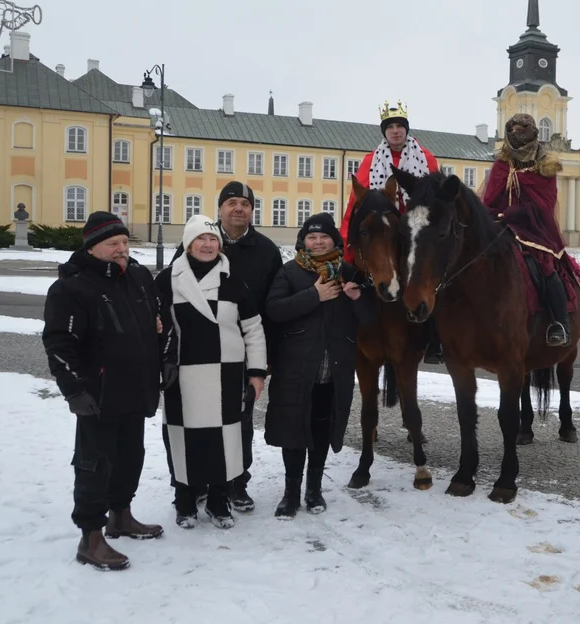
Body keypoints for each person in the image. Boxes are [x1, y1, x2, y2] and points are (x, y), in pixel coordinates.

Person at [42, 211, 167, 571]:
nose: (122, 249)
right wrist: (74, 389)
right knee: (95, 464)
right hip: (98, 394)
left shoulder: (140, 277)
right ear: (93, 247)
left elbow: (157, 318)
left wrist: (162, 355)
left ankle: (121, 515)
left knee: (131, 457)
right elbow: (58, 343)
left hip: (137, 388)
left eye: (125, 242)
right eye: (113, 244)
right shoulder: (72, 288)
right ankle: (91, 536)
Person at [162, 181, 283, 513]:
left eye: (245, 203)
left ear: (252, 210)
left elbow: (271, 308)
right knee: (192, 419)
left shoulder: (267, 250)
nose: (238, 208)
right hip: (191, 357)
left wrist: (264, 360)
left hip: (239, 353)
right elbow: (168, 297)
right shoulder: (192, 249)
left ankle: (236, 482)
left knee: (238, 421)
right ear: (220, 209)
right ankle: (195, 482)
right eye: (231, 202)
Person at [264, 213, 375, 518]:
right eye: (312, 237)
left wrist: (356, 298)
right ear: (304, 241)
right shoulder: (291, 271)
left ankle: (314, 490)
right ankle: (290, 493)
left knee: (321, 431)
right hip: (297, 370)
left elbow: (368, 319)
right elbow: (274, 310)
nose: (317, 242)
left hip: (333, 372)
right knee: (294, 430)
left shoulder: (349, 272)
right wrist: (315, 295)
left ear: (334, 240)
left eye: (324, 237)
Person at [339, 99, 444, 363]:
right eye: (390, 127)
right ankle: (354, 331)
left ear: (406, 130)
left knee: (434, 278)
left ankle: (435, 339)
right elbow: (357, 205)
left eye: (400, 126)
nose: (396, 131)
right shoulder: (370, 161)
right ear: (384, 132)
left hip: (416, 231)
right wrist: (346, 245)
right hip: (385, 230)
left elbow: (436, 199)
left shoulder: (426, 158)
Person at [481, 113, 580, 346]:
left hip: (534, 228)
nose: (516, 134)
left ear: (531, 132)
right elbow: (489, 200)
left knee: (544, 265)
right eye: (513, 129)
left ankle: (560, 324)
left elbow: (545, 204)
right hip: (500, 224)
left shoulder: (544, 166)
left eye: (521, 129)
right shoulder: (501, 165)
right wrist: (494, 217)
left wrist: (517, 213)